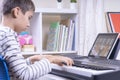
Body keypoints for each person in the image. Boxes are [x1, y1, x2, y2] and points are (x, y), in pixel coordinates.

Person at [0, 0, 74, 80]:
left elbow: (11, 69)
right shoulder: (8, 36)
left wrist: (32, 59)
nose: (28, 24)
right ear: (16, 12)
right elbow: (24, 75)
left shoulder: (3, 33)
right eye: (29, 18)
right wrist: (50, 60)